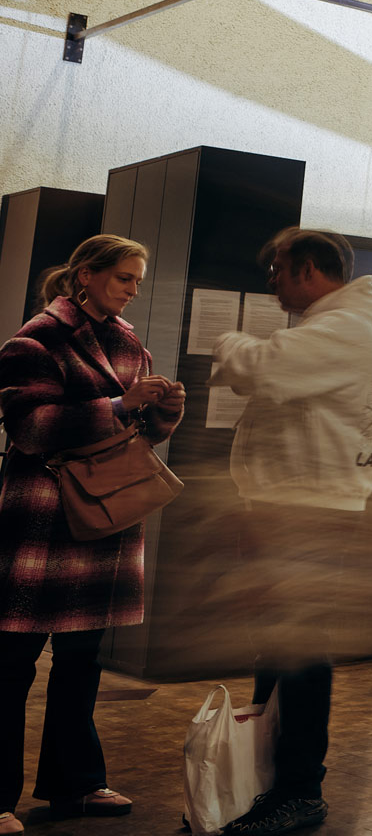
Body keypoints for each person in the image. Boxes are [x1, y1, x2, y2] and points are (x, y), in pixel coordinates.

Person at [0, 235, 183, 832]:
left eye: (137, 278)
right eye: (125, 278)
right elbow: (31, 430)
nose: (134, 289)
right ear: (85, 275)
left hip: (105, 518)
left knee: (81, 662)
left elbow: (138, 435)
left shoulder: (127, 341)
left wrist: (161, 412)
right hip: (42, 520)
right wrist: (120, 402)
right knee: (10, 665)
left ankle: (75, 785)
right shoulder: (34, 340)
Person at [209, 227, 372, 836]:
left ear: (309, 270)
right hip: (291, 506)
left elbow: (265, 370)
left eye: (278, 270)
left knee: (301, 649)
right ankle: (269, 781)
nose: (272, 282)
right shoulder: (329, 325)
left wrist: (227, 341)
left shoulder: (344, 328)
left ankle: (300, 789)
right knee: (279, 647)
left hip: (311, 511)